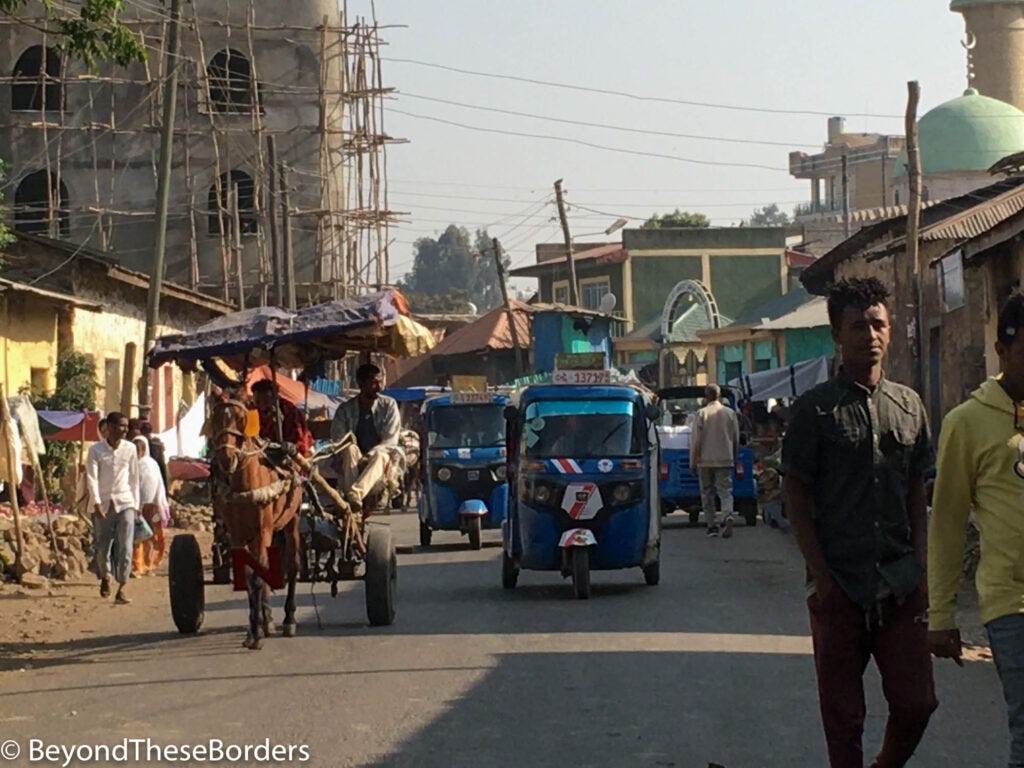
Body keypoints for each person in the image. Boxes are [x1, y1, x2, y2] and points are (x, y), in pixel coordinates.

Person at [781, 277, 936, 768]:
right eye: (857, 326)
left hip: (898, 580)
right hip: (840, 585)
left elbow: (916, 488)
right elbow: (795, 496)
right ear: (836, 335)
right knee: (843, 720)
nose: (870, 334)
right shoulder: (813, 410)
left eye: (878, 324)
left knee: (917, 702)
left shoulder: (909, 406)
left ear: (889, 331)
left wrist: (922, 567)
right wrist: (821, 580)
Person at [929, 290, 1024, 767]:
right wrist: (941, 614)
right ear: (1002, 351)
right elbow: (946, 523)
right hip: (1013, 605)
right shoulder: (967, 423)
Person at [329, 363, 401, 513]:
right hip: (352, 461)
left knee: (380, 455)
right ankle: (353, 501)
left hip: (378, 460)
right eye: (373, 383)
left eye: (380, 382)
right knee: (348, 449)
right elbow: (338, 440)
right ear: (361, 383)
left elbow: (390, 440)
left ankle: (355, 494)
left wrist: (370, 455)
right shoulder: (345, 409)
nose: (378, 387)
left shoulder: (389, 405)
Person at [85, 411, 140, 605]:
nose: (124, 430)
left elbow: (134, 478)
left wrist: (136, 505)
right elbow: (91, 477)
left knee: (125, 545)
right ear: (109, 427)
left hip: (125, 502)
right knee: (102, 546)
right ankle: (106, 576)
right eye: (121, 426)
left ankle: (122, 587)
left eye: (126, 426)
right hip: (103, 504)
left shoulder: (130, 449)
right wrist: (97, 501)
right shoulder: (95, 450)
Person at [689, 384, 739, 539]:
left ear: (706, 396)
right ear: (719, 395)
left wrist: (693, 461)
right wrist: (733, 455)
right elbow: (736, 437)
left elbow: (696, 441)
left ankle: (712, 526)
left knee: (707, 492)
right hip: (725, 457)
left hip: (705, 459)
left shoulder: (701, 413)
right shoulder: (730, 413)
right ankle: (727, 514)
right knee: (725, 490)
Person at [131, 435, 170, 577]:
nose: (138, 451)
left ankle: (149, 564)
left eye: (140, 448)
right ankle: (137, 566)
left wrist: (161, 504)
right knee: (136, 537)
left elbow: (159, 485)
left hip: (152, 505)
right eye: (135, 448)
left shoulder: (152, 464)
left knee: (151, 537)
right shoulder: (130, 465)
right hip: (135, 506)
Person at [251, 379, 313, 457]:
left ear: (275, 397)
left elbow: (299, 438)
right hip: (261, 450)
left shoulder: (288, 410)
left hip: (287, 450)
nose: (262, 407)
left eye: (266, 401)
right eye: (258, 402)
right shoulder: (252, 412)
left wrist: (290, 446)